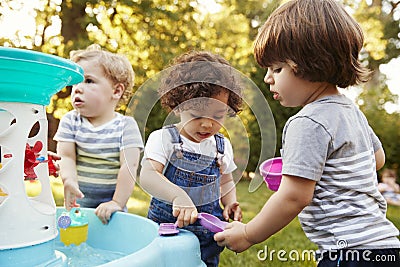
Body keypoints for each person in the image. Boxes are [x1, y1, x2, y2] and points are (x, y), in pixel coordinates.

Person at [214, 0, 400, 266]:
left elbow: (294, 196)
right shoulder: (351, 111)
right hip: (385, 246)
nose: (268, 78)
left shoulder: (308, 122)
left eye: (277, 69)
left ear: (312, 63)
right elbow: (377, 159)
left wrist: (247, 233)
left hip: (348, 252)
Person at [140, 51, 243, 267]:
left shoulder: (221, 146)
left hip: (206, 239)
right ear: (178, 108)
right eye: (196, 115)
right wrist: (178, 196)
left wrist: (230, 202)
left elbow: (225, 180)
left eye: (217, 116)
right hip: (167, 233)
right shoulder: (164, 139)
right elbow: (148, 176)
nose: (207, 125)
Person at [54, 44, 143, 224]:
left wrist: (116, 202)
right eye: (75, 82)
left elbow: (129, 166)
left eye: (88, 81)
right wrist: (69, 180)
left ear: (116, 91)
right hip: (79, 205)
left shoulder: (125, 126)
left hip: (112, 210)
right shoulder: (70, 121)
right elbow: (66, 156)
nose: (77, 88)